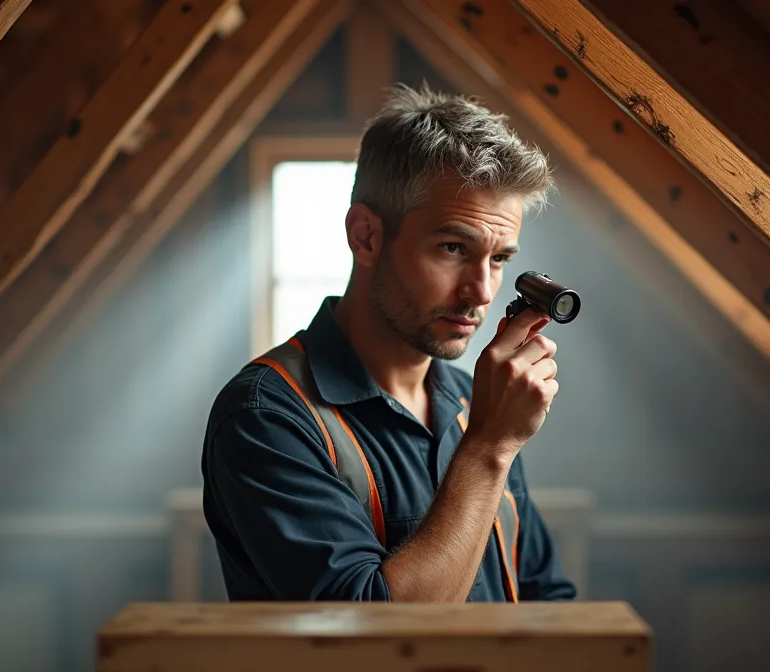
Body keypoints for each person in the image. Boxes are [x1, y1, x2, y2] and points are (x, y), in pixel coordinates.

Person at [201, 85, 575, 602]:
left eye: (498, 259)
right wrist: (489, 449)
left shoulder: (477, 404)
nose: (481, 292)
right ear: (367, 237)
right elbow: (375, 641)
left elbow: (545, 601)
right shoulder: (266, 415)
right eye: (452, 248)